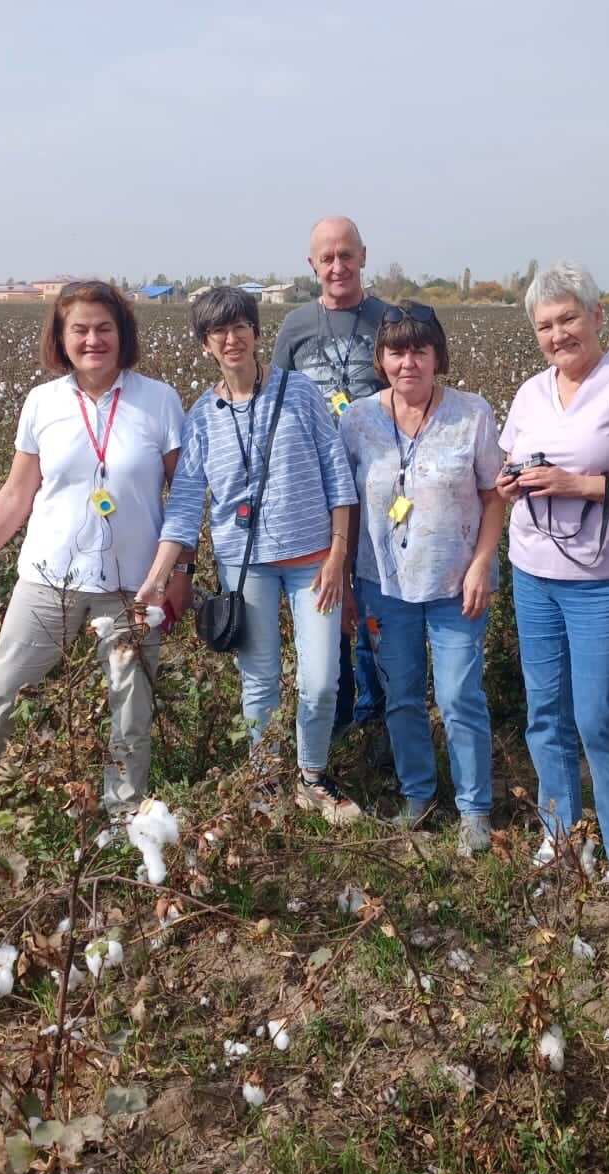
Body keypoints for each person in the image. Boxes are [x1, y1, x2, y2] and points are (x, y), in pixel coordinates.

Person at [0, 281, 189, 813]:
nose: (93, 340)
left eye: (104, 328)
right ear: (61, 337)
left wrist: (178, 573)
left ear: (122, 334)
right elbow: (15, 495)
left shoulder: (159, 401)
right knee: (3, 684)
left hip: (133, 587)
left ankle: (122, 813)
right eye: (80, 329)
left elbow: (184, 497)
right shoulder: (42, 403)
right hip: (49, 578)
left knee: (130, 704)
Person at [140, 286, 361, 825]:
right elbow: (185, 503)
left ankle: (311, 777)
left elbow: (337, 474)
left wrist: (338, 555)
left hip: (314, 562)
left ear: (257, 333)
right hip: (244, 567)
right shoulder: (201, 416)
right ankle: (265, 782)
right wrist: (158, 577)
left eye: (240, 326)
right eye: (218, 331)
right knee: (259, 681)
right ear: (205, 345)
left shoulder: (300, 392)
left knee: (321, 680)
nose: (231, 338)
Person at [493, 261, 609, 891]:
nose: (558, 334)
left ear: (597, 315)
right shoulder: (530, 392)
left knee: (596, 716)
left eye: (568, 318)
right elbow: (508, 466)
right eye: (545, 325)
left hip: (603, 579)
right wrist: (511, 484)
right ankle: (561, 833)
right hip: (533, 573)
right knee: (545, 711)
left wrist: (580, 485)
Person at [338, 303, 504, 856]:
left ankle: (474, 808)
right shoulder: (357, 420)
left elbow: (493, 496)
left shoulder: (472, 413)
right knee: (401, 695)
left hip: (458, 584)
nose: (407, 362)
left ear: (437, 356)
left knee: (459, 696)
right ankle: (418, 795)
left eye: (419, 350)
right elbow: (347, 506)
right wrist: (346, 580)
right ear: (381, 359)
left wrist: (482, 563)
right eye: (396, 352)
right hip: (382, 584)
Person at [273, 216, 390, 740]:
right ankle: (338, 721)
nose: (338, 266)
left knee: (377, 598)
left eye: (346, 254)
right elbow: (274, 403)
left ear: (363, 256)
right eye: (327, 257)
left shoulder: (389, 319)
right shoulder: (295, 326)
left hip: (383, 488)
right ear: (312, 265)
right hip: (316, 493)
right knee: (329, 597)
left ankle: (380, 714)